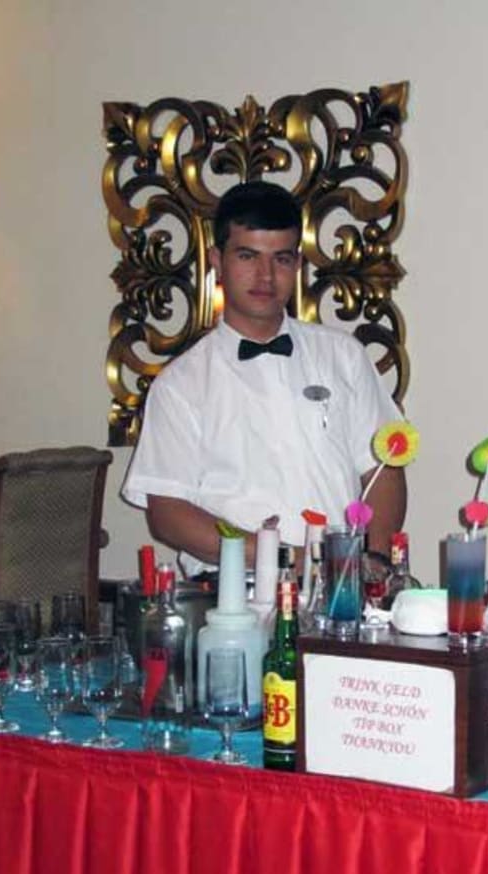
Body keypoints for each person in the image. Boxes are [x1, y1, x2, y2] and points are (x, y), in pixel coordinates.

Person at [122, 181, 406, 579]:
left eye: (281, 259)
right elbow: (168, 513)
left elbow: (383, 469)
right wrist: (290, 558)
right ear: (217, 260)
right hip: (231, 591)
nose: (266, 276)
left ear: (298, 264)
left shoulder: (344, 356)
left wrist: (372, 565)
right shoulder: (180, 384)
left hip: (341, 588)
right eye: (247, 256)